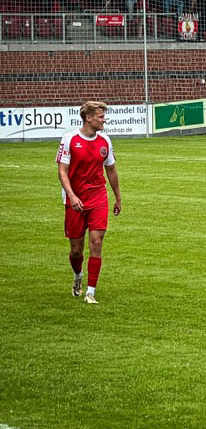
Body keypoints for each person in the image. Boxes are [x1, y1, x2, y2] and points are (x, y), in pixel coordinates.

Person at [56, 101, 121, 305]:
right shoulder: (69, 139)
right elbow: (62, 171)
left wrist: (118, 197)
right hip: (75, 199)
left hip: (98, 197)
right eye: (101, 117)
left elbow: (111, 170)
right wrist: (72, 195)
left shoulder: (105, 141)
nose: (104, 120)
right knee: (76, 250)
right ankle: (78, 277)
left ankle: (91, 292)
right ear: (89, 118)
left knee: (96, 242)